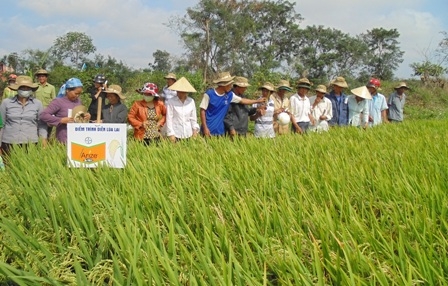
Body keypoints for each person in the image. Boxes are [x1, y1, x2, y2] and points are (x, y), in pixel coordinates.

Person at [199, 71, 264, 137]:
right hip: (208, 129)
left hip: (220, 131)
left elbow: (242, 101)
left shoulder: (230, 95)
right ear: (224, 84)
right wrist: (205, 128)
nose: (231, 86)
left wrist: (257, 101)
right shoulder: (209, 94)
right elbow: (202, 111)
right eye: (229, 84)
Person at [0, 76, 47, 156]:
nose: (25, 90)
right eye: (22, 88)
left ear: (31, 89)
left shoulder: (37, 103)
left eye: (28, 88)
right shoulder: (6, 103)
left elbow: (41, 123)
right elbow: (1, 125)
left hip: (30, 142)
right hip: (9, 142)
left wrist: (43, 139)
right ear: (17, 89)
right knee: (8, 167)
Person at [40, 78, 90, 144]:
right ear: (67, 90)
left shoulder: (78, 101)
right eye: (76, 93)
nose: (77, 96)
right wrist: (60, 120)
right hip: (63, 139)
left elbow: (80, 115)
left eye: (79, 94)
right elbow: (43, 115)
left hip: (77, 138)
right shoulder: (58, 102)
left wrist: (87, 116)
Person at [165, 77, 199, 142]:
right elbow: (169, 119)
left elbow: (193, 118)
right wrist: (171, 134)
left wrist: (195, 131)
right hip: (176, 134)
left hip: (189, 133)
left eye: (183, 91)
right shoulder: (171, 101)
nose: (180, 93)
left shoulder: (191, 101)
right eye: (179, 91)